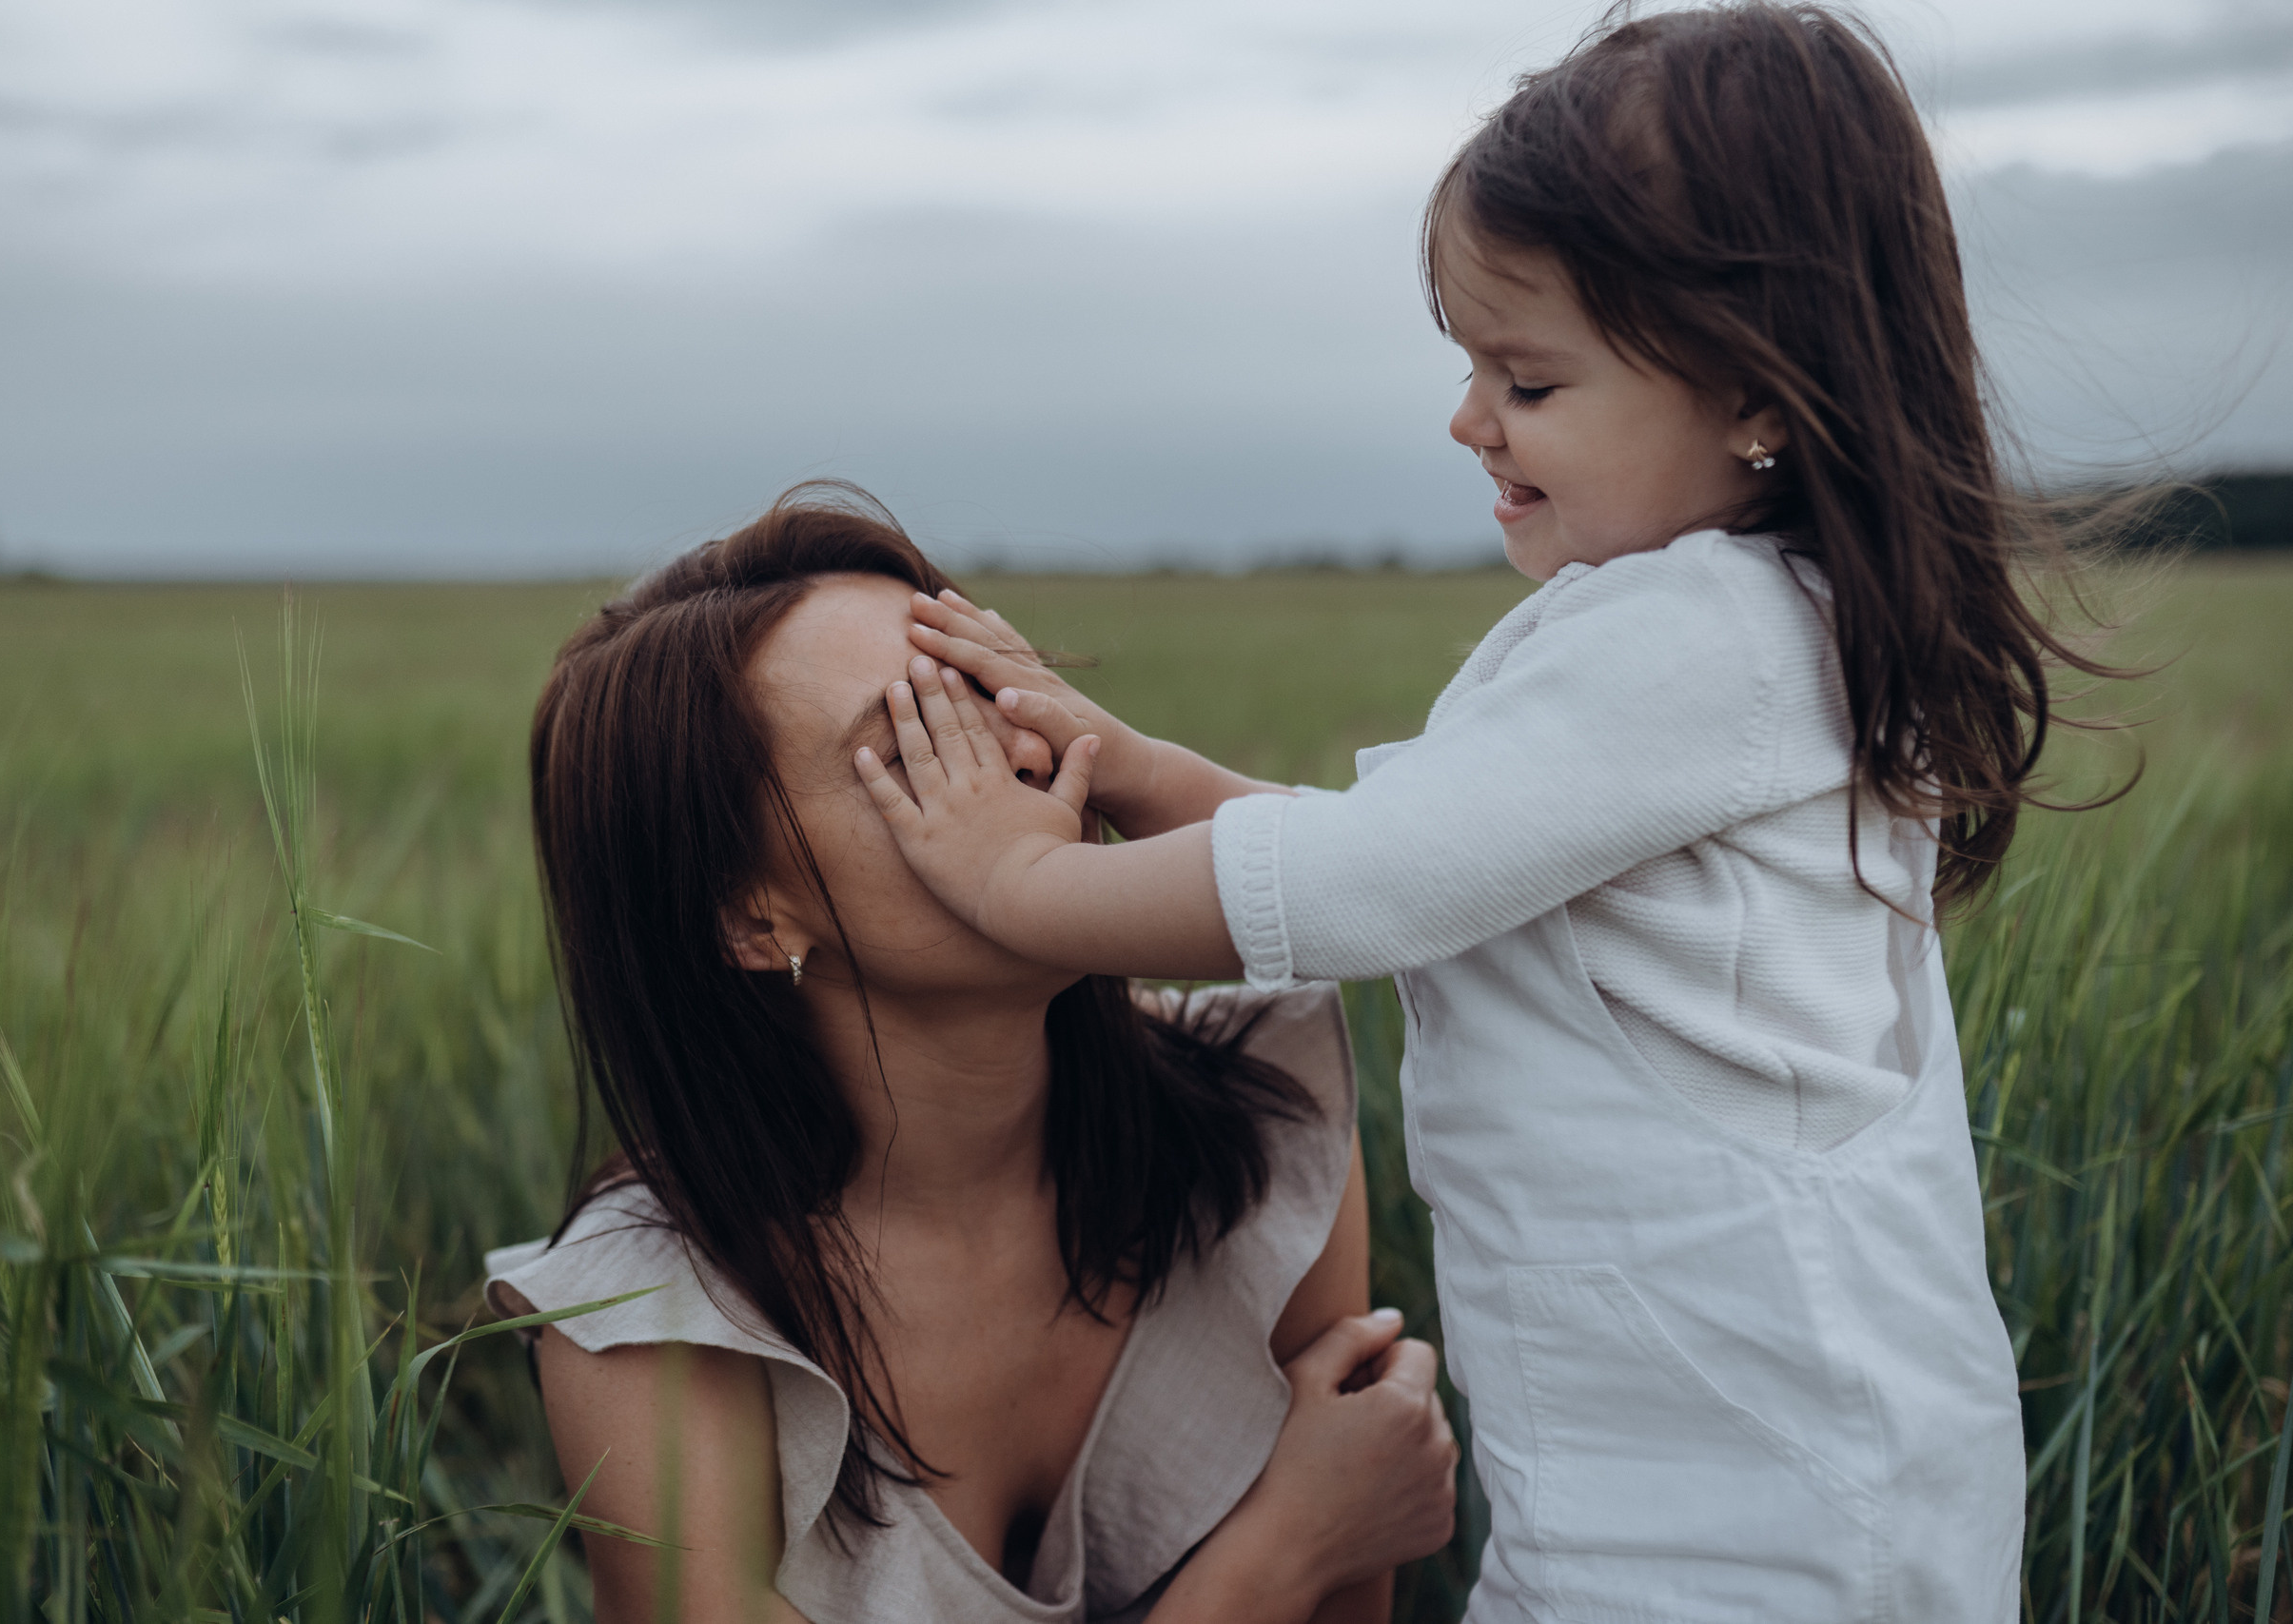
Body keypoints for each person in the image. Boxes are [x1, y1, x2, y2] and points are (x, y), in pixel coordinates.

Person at [852, 7, 2116, 1616]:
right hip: (1753, 1467)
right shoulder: (1764, 630)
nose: (1470, 420)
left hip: (1745, 1516)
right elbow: (1449, 867)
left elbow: (1375, 885)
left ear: (1757, 397)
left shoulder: (1691, 637)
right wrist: (1136, 761)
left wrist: (1018, 889)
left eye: (1528, 377)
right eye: (1470, 367)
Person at [483, 488, 1459, 1624]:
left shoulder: (1257, 1114)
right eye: (909, 742)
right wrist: (1281, 1549)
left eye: (991, 689)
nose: (1023, 758)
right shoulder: (653, 1314)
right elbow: (1322, 1558)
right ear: (748, 923)